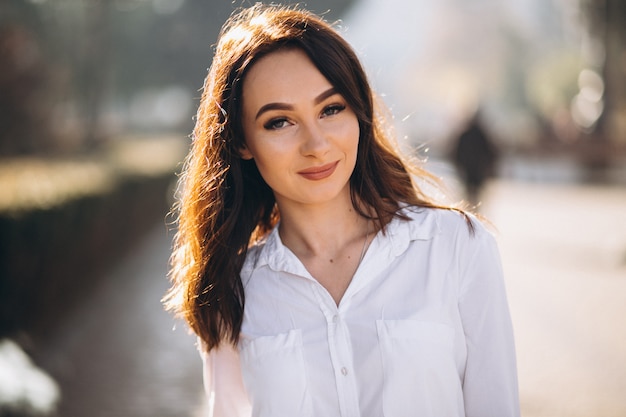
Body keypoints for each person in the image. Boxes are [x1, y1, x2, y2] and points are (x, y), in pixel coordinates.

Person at [164, 4, 519, 417]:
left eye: (331, 109)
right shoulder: (231, 292)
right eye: (279, 121)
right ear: (242, 142)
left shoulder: (457, 247)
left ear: (359, 112)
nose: (316, 144)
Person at [452, 111, 500, 206]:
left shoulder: (465, 134)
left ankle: (469, 208)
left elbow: (456, 152)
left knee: (468, 192)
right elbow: (491, 152)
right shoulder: (482, 135)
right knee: (476, 194)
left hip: (468, 169)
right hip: (478, 170)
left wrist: (459, 165)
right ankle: (474, 209)